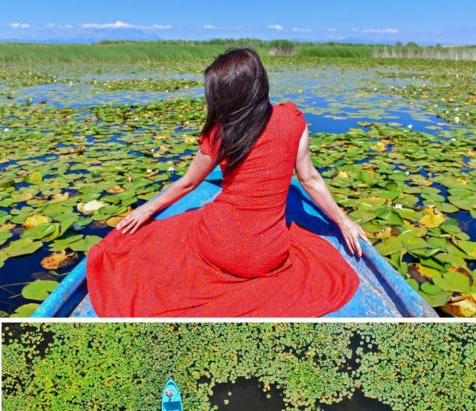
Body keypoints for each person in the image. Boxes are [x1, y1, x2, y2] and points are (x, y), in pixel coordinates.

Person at [85, 48, 363, 317]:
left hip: (217, 245)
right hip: (269, 256)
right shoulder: (293, 120)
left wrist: (147, 208)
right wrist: (343, 221)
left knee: (150, 241)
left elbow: (187, 184)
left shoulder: (221, 132)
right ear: (259, 84)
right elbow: (310, 178)